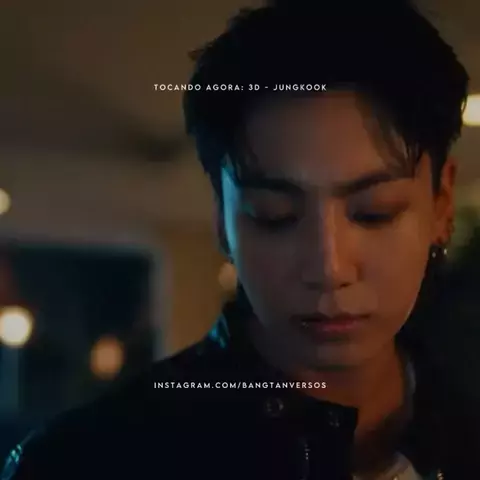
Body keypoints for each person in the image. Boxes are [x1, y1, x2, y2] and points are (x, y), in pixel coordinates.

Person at [2, 0, 477, 478]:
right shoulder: (85, 462)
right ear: (222, 221)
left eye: (374, 213)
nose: (329, 268)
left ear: (440, 205)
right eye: (275, 217)